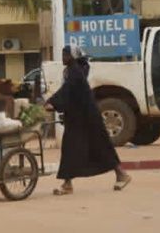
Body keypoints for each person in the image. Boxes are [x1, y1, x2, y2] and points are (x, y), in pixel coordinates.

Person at [45, 46, 131, 195]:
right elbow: (69, 92)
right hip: (77, 116)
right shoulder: (72, 70)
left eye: (65, 55)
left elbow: (67, 90)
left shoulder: (75, 71)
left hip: (88, 116)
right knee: (70, 148)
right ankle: (67, 184)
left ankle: (121, 174)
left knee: (100, 145)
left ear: (72, 56)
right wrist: (55, 103)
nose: (63, 58)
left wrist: (52, 102)